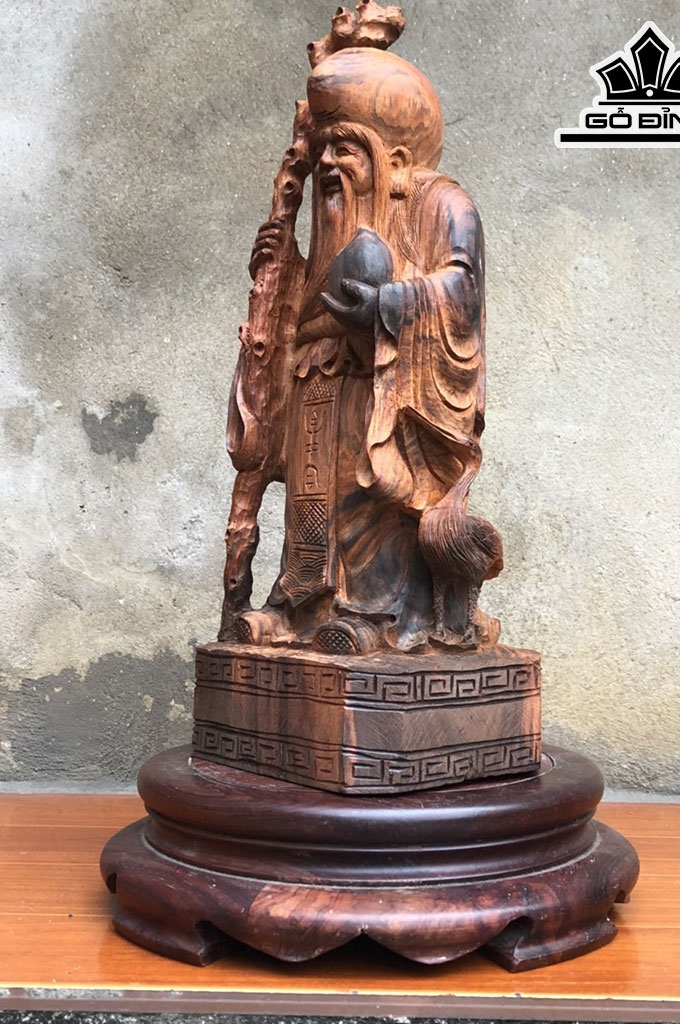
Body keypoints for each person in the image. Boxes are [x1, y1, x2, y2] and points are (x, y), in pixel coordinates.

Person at [232, 47, 500, 654]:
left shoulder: (442, 204)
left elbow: (462, 290)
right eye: (322, 147)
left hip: (388, 382)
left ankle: (382, 614)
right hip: (318, 379)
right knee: (312, 498)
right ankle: (302, 607)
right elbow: (310, 301)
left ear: (394, 159)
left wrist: (388, 305)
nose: (328, 161)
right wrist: (282, 268)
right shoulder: (335, 217)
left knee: (373, 494)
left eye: (345, 148)